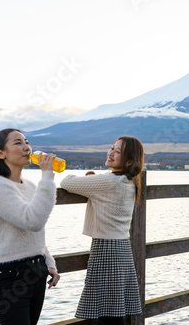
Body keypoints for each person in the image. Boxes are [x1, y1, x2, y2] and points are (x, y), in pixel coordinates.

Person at [0, 128, 61, 325]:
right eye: (18, 143)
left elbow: (35, 232)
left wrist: (48, 262)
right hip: (10, 275)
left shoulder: (30, 185)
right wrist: (47, 177)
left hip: (36, 270)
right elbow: (32, 221)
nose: (27, 147)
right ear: (1, 153)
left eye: (26, 141)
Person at [60, 136, 144, 325]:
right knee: (114, 311)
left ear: (129, 160)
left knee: (107, 314)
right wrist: (94, 179)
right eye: (111, 148)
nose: (110, 153)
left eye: (118, 151)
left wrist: (91, 178)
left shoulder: (109, 181)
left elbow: (66, 182)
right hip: (121, 248)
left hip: (107, 249)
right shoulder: (129, 181)